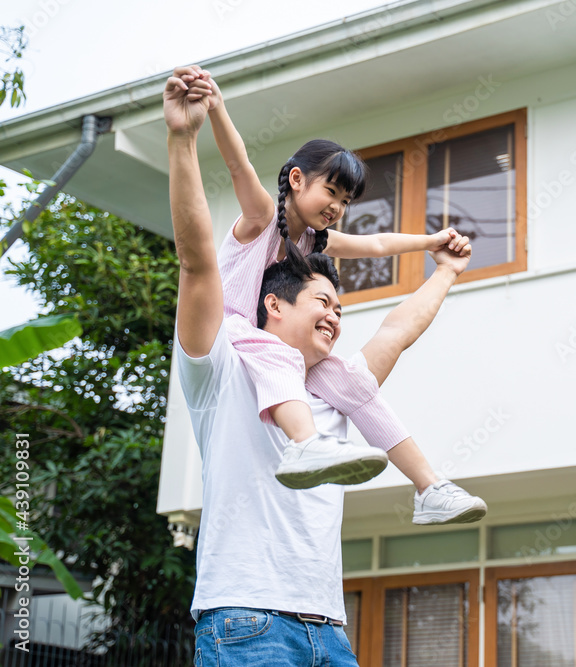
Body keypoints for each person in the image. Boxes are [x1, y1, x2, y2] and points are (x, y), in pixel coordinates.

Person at [164, 66, 473, 664]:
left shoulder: (315, 252)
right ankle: (303, 444)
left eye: (346, 200)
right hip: (236, 334)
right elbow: (236, 173)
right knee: (279, 353)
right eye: (330, 192)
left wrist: (435, 248)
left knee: (356, 381)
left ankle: (430, 487)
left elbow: (380, 253)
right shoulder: (262, 219)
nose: (337, 206)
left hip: (325, 625)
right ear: (298, 180)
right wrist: (210, 115)